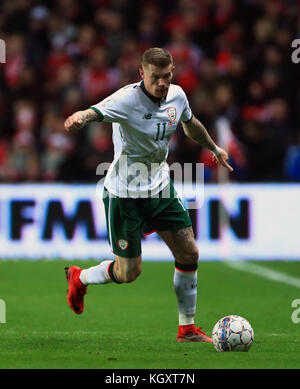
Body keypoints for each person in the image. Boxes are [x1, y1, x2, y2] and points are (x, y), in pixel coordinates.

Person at [63, 47, 233, 343]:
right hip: (124, 194)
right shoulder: (126, 99)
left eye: (167, 76)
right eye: (156, 77)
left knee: (189, 253)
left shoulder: (177, 96)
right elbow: (94, 111)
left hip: (159, 187)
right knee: (129, 273)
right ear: (142, 74)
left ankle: (187, 328)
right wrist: (79, 116)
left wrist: (213, 148)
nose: (163, 83)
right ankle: (79, 277)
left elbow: (189, 123)